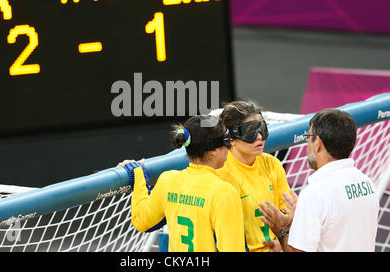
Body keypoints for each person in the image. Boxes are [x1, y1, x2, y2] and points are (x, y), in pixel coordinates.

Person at [118, 115, 246, 252]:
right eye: (227, 141)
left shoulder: (167, 180)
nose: (231, 146)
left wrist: (138, 175)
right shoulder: (225, 194)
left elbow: (141, 221)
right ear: (213, 151)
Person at [259, 108, 379, 252]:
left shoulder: (314, 194)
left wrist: (282, 230)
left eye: (308, 137)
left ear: (318, 143)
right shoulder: (366, 183)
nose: (307, 143)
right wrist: (302, 218)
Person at [216, 99, 291, 252]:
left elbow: (285, 215)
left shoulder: (272, 164)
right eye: (250, 131)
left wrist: (282, 240)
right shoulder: (220, 172)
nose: (259, 137)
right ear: (231, 138)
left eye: (262, 129)